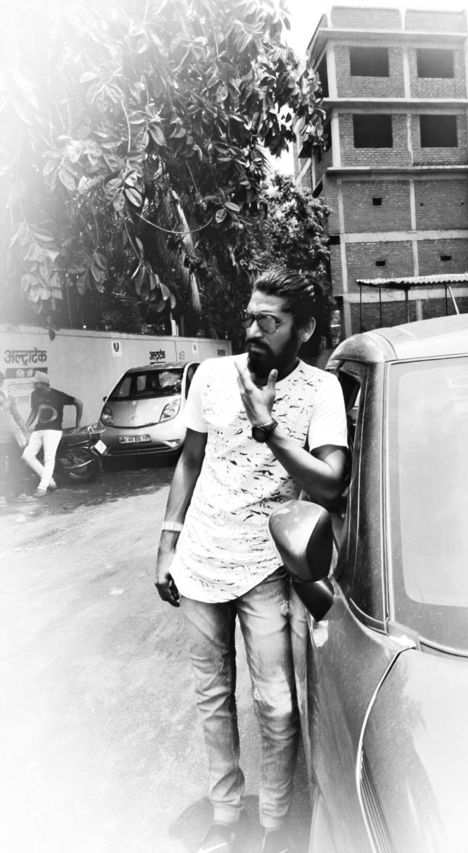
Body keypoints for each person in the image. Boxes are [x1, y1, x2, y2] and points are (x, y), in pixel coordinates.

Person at [155, 268, 348, 853]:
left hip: (267, 568)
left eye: (270, 320)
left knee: (277, 706)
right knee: (212, 698)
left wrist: (268, 427)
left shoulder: (321, 390)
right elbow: (191, 460)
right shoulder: (212, 376)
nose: (254, 330)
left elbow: (332, 483)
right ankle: (224, 813)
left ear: (303, 329)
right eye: (250, 317)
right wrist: (167, 544)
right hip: (199, 564)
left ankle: (274, 823)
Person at [22, 372, 83, 497]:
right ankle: (50, 481)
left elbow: (79, 403)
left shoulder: (58, 395)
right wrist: (25, 427)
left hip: (53, 431)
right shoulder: (34, 394)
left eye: (35, 383)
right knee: (27, 455)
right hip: (38, 429)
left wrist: (78, 424)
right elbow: (33, 412)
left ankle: (42, 487)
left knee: (48, 458)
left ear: (43, 384)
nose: (33, 385)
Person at [0, 371, 28, 506]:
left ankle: (18, 494)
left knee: (16, 466)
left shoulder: (9, 398)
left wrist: (25, 431)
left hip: (11, 439)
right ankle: (2, 496)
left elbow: (17, 416)